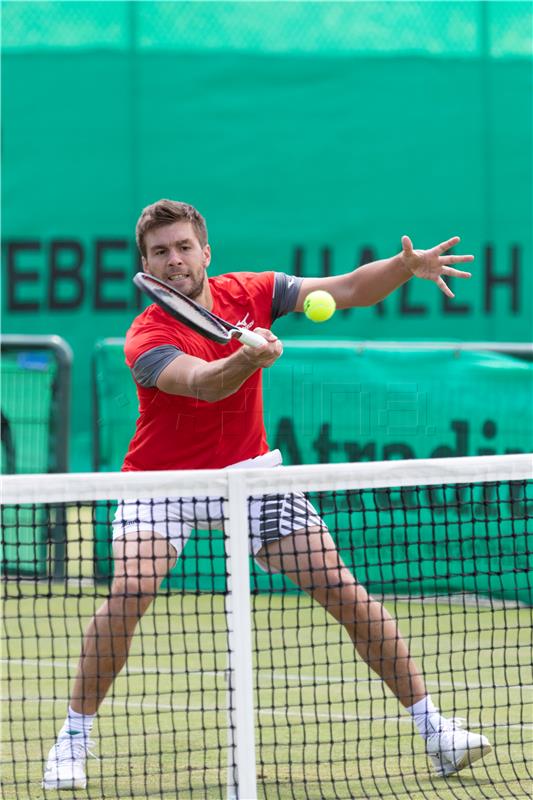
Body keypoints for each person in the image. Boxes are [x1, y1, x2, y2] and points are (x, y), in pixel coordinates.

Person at [43, 199, 491, 790]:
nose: (174, 260)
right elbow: (202, 386)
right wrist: (246, 358)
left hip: (251, 475)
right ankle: (71, 741)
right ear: (146, 263)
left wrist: (404, 268)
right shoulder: (146, 336)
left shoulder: (254, 291)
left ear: (206, 251)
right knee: (130, 592)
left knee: (344, 591)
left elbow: (348, 289)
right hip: (164, 483)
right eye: (160, 252)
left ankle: (437, 732)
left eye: (183, 247)